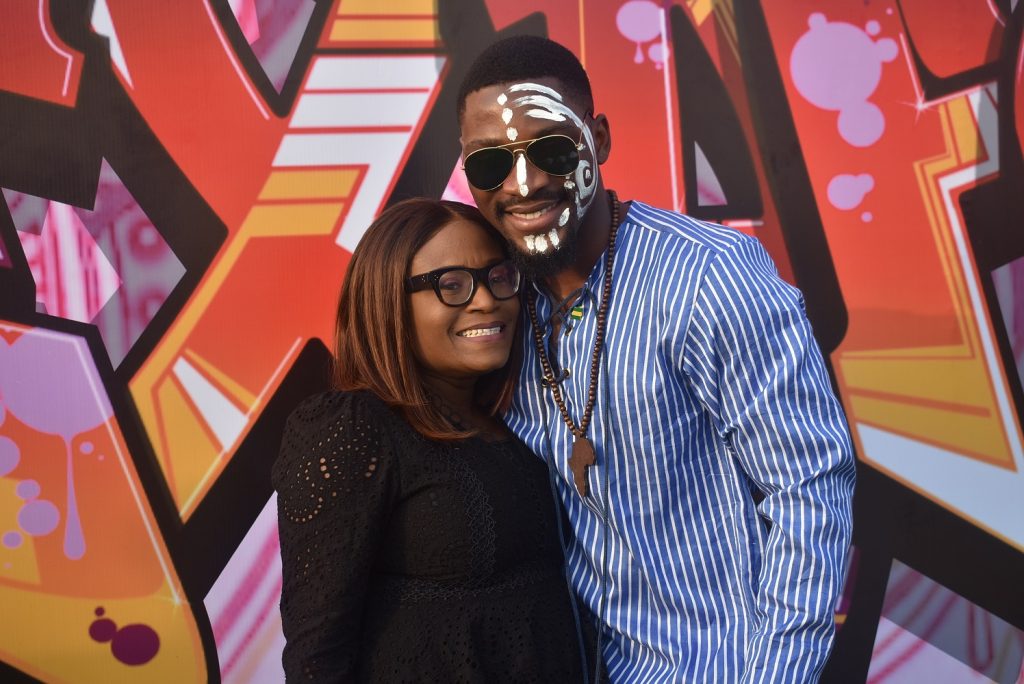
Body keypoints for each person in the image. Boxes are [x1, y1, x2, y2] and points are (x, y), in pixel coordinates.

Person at [456, 36, 857, 683]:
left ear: (599, 140)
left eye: (552, 150)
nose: (523, 184)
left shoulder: (707, 278)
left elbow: (807, 488)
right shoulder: (496, 313)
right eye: (491, 163)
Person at [273, 198, 597, 682]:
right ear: (386, 301)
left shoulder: (525, 421)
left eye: (499, 277)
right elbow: (317, 654)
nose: (486, 300)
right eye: (451, 285)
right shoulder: (354, 427)